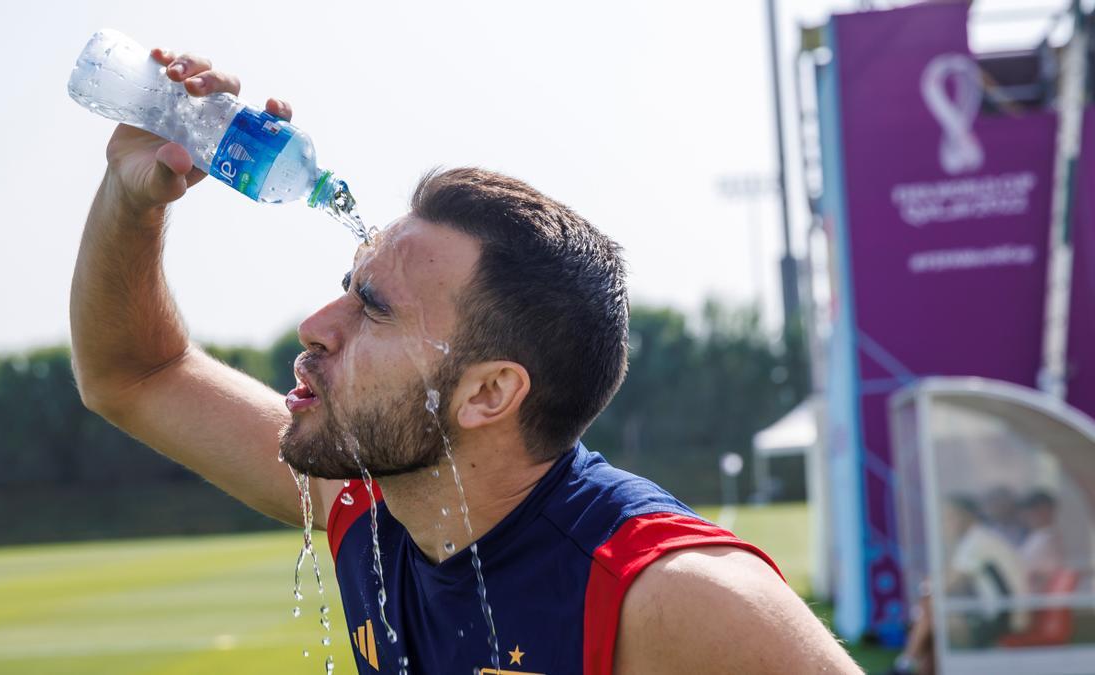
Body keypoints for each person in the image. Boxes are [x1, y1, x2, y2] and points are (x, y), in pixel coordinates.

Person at [69, 45, 861, 674]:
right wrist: (132, 196)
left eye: (373, 308)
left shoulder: (674, 595)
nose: (315, 324)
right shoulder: (374, 503)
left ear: (487, 392)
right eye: (346, 289)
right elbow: (134, 375)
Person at [891, 496, 1029, 674]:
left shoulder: (978, 541)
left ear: (966, 517)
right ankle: (909, 664)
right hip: (1001, 612)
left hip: (1008, 617)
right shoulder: (978, 538)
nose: (945, 524)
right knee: (931, 614)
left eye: (949, 517)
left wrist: (926, 590)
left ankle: (905, 664)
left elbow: (946, 584)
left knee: (931, 613)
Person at [1018, 490, 1064, 594]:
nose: (1025, 516)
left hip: (1035, 598)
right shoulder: (1037, 537)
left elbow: (1038, 573)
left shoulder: (1047, 539)